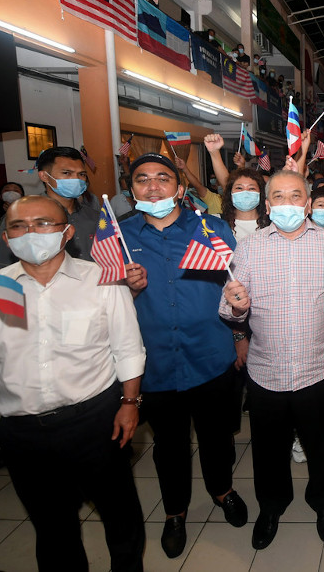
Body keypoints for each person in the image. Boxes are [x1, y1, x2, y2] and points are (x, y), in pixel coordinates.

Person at [0, 195, 147, 572]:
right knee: (53, 528)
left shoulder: (101, 280)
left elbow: (128, 348)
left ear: (67, 233)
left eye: (43, 223)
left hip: (96, 420)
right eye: (19, 226)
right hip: (24, 433)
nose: (30, 232)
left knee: (120, 514)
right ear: (6, 238)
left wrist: (129, 404)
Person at [220, 169, 324, 550]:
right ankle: (272, 506)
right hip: (266, 371)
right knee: (268, 449)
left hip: (318, 367)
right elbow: (229, 309)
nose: (288, 204)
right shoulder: (249, 248)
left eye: (296, 196)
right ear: (268, 205)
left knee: (322, 445)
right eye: (278, 196)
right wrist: (235, 307)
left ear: (308, 203)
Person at [120, 153, 247, 558]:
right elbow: (101, 306)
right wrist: (127, 290)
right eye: (143, 180)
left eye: (162, 179)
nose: (153, 187)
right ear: (132, 189)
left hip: (210, 356)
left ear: (179, 188)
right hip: (155, 364)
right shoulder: (119, 239)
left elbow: (234, 285)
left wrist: (241, 321)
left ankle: (222, 489)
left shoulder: (211, 229)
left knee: (217, 437)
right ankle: (174, 512)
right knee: (169, 446)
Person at [0, 147, 98, 270]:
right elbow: (3, 265)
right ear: (44, 176)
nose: (76, 179)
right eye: (67, 173)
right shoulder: (22, 215)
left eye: (81, 174)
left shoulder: (95, 217)